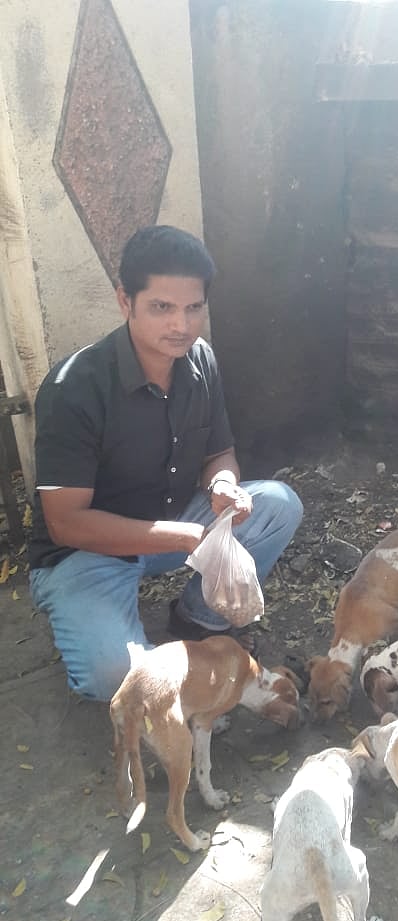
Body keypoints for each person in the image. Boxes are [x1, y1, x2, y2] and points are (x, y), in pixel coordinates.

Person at [28, 225, 303, 702]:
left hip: (173, 522)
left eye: (194, 307)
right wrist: (188, 536)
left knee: (279, 504)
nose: (181, 325)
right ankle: (98, 626)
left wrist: (222, 485)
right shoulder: (73, 387)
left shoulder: (200, 360)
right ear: (125, 300)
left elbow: (219, 452)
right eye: (162, 307)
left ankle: (197, 619)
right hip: (87, 553)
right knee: (115, 676)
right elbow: (66, 524)